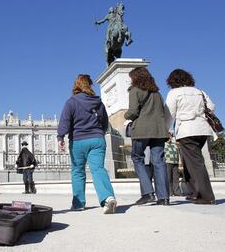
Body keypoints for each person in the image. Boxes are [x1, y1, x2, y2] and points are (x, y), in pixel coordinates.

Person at [57, 74, 117, 214]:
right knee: (98, 169)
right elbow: (104, 121)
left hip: (78, 141)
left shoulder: (71, 102)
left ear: (76, 85)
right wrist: (99, 133)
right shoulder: (98, 102)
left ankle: (78, 204)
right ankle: (108, 197)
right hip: (97, 140)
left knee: (78, 171)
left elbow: (65, 121)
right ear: (90, 86)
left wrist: (60, 137)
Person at [165, 69, 216, 204]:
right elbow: (211, 106)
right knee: (189, 162)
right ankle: (194, 192)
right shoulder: (199, 91)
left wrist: (165, 129)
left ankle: (207, 196)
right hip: (203, 129)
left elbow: (170, 114)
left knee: (195, 162)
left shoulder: (174, 93)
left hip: (187, 130)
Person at [124, 67, 170, 206]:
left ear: (135, 78)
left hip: (142, 130)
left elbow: (132, 112)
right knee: (159, 162)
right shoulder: (157, 93)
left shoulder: (134, 90)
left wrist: (125, 116)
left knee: (137, 158)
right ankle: (164, 197)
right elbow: (162, 111)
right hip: (158, 130)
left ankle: (148, 193)